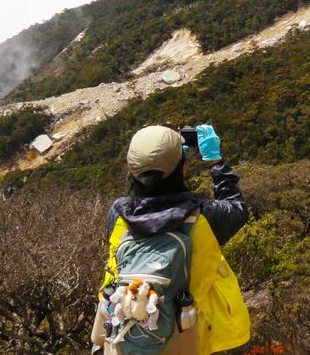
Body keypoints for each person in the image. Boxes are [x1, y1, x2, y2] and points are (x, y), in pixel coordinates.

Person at [91, 124, 251, 355]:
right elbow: (237, 208)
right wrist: (216, 163)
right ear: (183, 168)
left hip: (131, 335)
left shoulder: (118, 215)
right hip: (202, 336)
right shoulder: (204, 216)